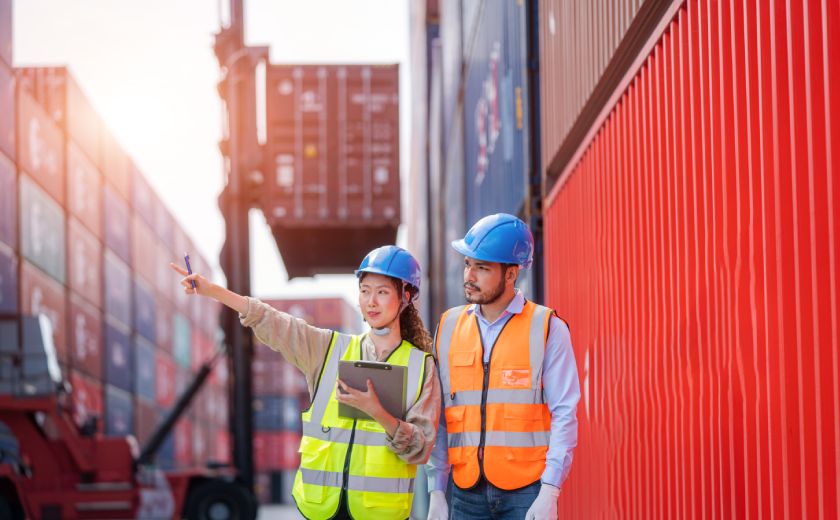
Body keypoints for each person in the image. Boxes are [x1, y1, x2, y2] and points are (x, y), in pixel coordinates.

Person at [170, 245, 441, 520]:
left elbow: (420, 448)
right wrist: (213, 291)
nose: (371, 301)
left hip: (381, 515)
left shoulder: (421, 366)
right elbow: (272, 321)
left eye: (382, 292)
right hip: (320, 509)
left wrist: (379, 413)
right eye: (365, 290)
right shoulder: (328, 349)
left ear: (406, 296)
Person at [425, 213, 580, 520]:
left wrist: (550, 491)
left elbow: (565, 413)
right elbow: (441, 417)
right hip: (465, 492)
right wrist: (437, 490)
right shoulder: (449, 326)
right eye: (468, 264)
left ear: (511, 274)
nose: (469, 275)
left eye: (482, 268)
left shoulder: (547, 327)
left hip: (526, 492)